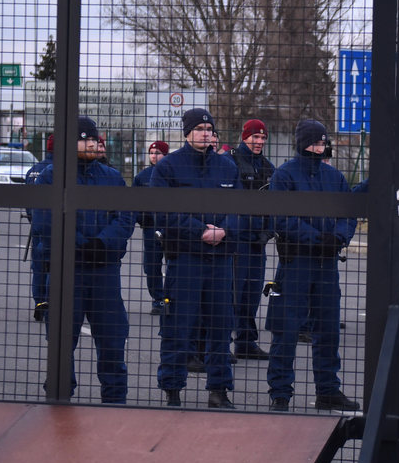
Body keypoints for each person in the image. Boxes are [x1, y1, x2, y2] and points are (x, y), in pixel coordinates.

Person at [30, 117, 134, 403]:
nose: (91, 143)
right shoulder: (51, 176)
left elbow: (125, 217)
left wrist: (101, 243)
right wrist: (80, 245)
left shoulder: (112, 177)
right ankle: (60, 397)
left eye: (93, 139)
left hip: (105, 273)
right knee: (62, 342)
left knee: (112, 340)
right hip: (66, 272)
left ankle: (115, 400)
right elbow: (45, 221)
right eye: (83, 138)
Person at [266, 119, 359, 413]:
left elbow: (349, 214)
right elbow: (281, 218)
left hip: (326, 263)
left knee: (328, 330)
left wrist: (338, 238)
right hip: (296, 262)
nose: (319, 147)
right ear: (303, 143)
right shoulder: (285, 175)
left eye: (322, 142)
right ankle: (280, 393)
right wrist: (317, 239)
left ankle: (327, 391)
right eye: (314, 142)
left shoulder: (334, 177)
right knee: (286, 330)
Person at [150, 108, 239, 409]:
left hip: (220, 258)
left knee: (220, 327)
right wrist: (200, 231)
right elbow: (162, 212)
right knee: (178, 326)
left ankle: (219, 390)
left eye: (209, 129)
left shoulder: (227, 167)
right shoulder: (169, 167)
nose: (205, 133)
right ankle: (172, 389)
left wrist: (225, 230)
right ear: (187, 132)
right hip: (185, 258)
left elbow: (242, 207)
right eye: (199, 129)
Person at [225, 119, 275, 361]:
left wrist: (268, 231)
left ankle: (245, 342)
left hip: (258, 242)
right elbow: (230, 203)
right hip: (237, 241)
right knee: (232, 294)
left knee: (252, 294)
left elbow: (276, 204)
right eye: (255, 137)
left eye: (263, 138)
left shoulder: (267, 167)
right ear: (244, 137)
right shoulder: (231, 162)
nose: (259, 142)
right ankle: (222, 343)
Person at [133, 140, 170, 315]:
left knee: (172, 264)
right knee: (152, 265)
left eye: (158, 153)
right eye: (152, 153)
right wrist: (143, 219)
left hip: (170, 227)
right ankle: (158, 299)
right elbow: (135, 202)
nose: (154, 156)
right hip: (150, 227)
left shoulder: (172, 174)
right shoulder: (142, 177)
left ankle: (171, 298)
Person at [25, 134, 53, 323]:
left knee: (39, 267)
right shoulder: (64, 169)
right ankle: (51, 301)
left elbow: (28, 201)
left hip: (37, 226)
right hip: (56, 226)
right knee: (54, 265)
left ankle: (39, 302)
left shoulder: (33, 170)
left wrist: (34, 220)